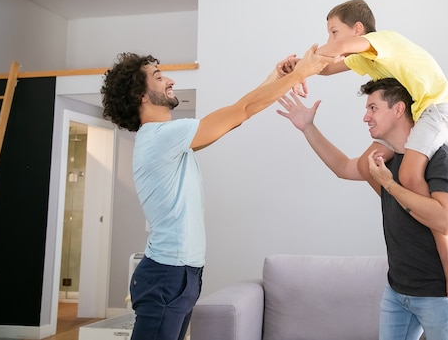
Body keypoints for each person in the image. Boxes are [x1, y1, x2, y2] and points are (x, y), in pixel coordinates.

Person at [100, 45, 330, 340]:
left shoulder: (171, 141)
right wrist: (301, 72)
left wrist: (275, 77)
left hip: (181, 274)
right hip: (167, 276)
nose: (170, 80)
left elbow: (238, 113)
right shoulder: (161, 137)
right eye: (159, 77)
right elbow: (241, 111)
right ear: (141, 96)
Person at [278, 0, 448, 297]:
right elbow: (326, 69)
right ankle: (421, 221)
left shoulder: (382, 41)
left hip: (435, 110)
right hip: (400, 284)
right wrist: (295, 68)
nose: (330, 39)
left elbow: (334, 51)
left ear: (358, 29)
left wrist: (308, 59)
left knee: (409, 173)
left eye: (334, 31)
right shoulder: (367, 59)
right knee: (391, 173)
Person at [276, 78, 448, 340]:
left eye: (373, 108)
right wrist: (308, 127)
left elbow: (446, 220)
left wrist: (389, 183)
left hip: (439, 292)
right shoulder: (383, 158)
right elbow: (343, 167)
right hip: (397, 290)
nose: (366, 117)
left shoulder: (440, 158)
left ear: (399, 110)